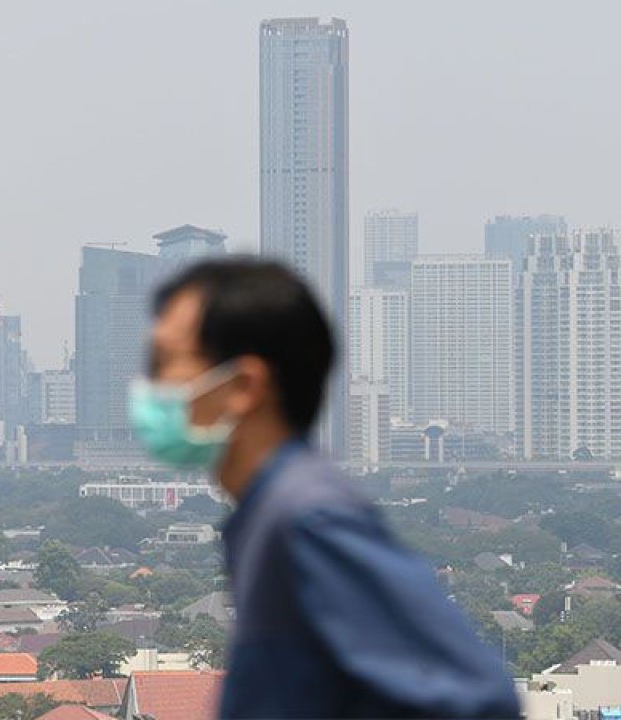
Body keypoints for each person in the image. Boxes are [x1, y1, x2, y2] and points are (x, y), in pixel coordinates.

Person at [130, 258, 519, 718]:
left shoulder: (306, 517)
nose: (150, 387)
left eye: (166, 363)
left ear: (243, 386)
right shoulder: (263, 516)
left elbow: (476, 698)